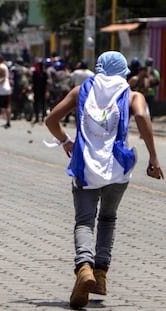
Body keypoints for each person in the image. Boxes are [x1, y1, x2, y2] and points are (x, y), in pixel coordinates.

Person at [45, 51, 164, 310]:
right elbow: (143, 117)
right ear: (124, 72)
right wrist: (154, 157)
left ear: (98, 69)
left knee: (84, 221)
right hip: (118, 169)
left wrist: (66, 142)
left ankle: (84, 268)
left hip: (85, 167)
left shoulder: (80, 91)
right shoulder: (133, 95)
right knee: (108, 218)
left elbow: (51, 118)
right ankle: (100, 275)